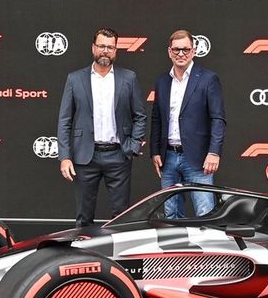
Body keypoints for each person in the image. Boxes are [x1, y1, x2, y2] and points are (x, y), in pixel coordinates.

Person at [57, 28, 146, 228]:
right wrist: (64, 157)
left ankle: (119, 258)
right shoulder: (75, 79)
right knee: (84, 216)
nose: (105, 51)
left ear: (116, 50)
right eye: (101, 46)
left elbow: (140, 116)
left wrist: (132, 145)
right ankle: (84, 258)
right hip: (85, 156)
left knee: (121, 217)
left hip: (118, 155)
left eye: (110, 47)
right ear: (93, 48)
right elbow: (65, 120)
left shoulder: (128, 78)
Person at [149, 29, 226, 218]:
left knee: (205, 213)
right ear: (169, 52)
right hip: (168, 157)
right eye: (176, 50)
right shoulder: (162, 81)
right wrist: (155, 151)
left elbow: (218, 118)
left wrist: (214, 152)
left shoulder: (208, 79)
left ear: (193, 51)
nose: (181, 54)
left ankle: (207, 248)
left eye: (185, 49)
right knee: (171, 214)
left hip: (199, 159)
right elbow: (157, 118)